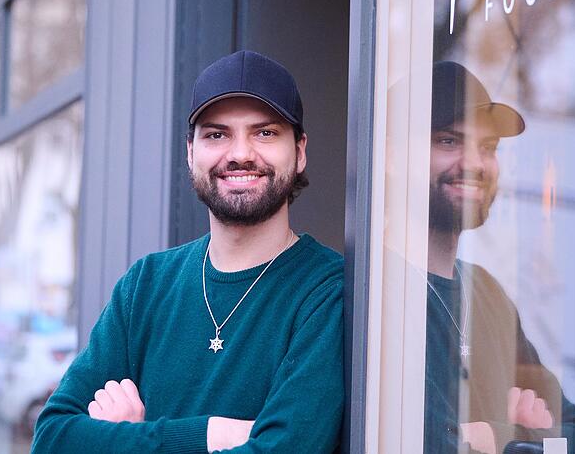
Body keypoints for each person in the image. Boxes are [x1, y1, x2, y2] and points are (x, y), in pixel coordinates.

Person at [31, 50, 344, 453]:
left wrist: (125, 439)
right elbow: (53, 437)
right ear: (191, 153)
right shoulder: (146, 284)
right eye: (217, 134)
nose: (240, 153)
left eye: (265, 132)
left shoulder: (328, 289)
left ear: (299, 152)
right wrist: (215, 433)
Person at [423, 61, 575, 454]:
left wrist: (499, 437)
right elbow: (433, 443)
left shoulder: (488, 295)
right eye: (448, 141)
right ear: (389, 155)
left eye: (487, 147)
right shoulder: (364, 289)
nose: (473, 163)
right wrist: (521, 438)